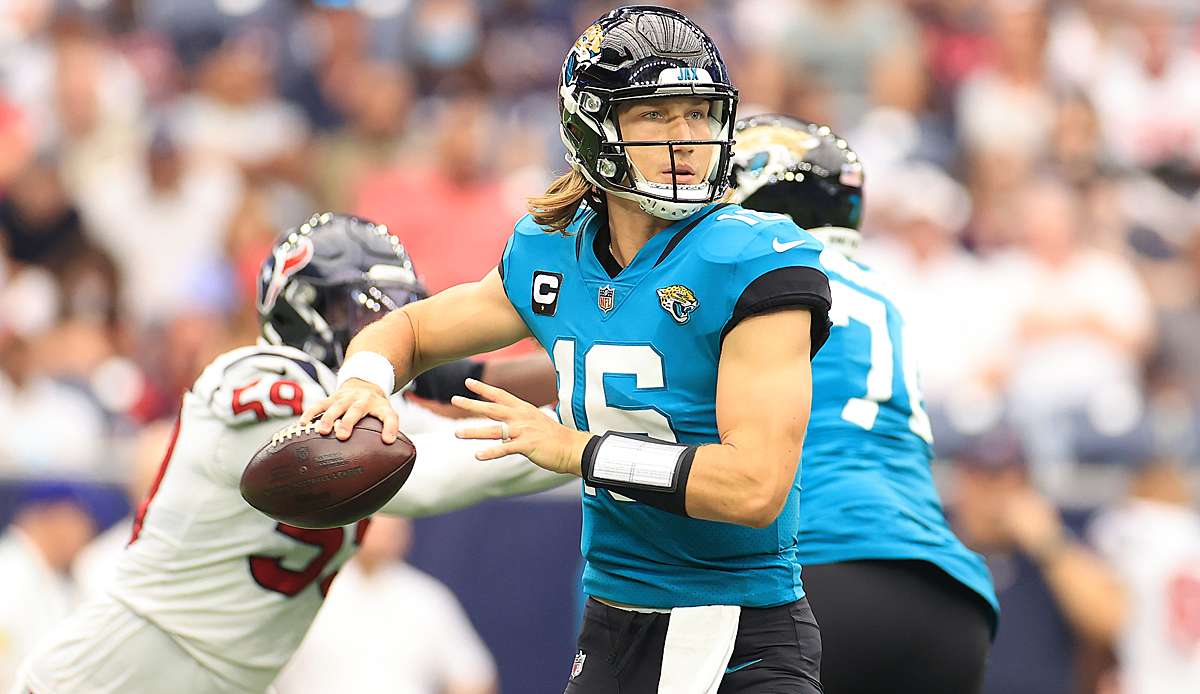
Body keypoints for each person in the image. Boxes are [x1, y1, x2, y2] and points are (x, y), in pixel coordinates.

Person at [308, 7, 831, 692]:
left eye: (699, 113)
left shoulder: (753, 256)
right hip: (614, 624)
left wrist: (577, 451)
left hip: (741, 627)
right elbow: (407, 330)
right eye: (655, 115)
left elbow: (754, 487)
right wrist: (365, 381)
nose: (685, 137)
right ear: (593, 127)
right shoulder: (551, 251)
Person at [385, 115, 1001, 693]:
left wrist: (460, 386)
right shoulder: (869, 291)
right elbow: (618, 362)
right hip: (948, 596)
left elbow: (616, 368)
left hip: (818, 562)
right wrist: (453, 377)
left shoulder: (749, 275)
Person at [9, 213, 546, 694]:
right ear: (305, 308)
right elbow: (426, 476)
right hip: (116, 673)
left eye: (396, 312)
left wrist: (586, 384)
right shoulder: (258, 377)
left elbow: (478, 407)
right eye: (366, 309)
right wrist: (574, 437)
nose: (383, 329)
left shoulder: (359, 402)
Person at [273, 517, 497, 694]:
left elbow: (473, 678)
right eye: (377, 526)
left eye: (394, 528)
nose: (385, 536)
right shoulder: (309, 589)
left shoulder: (426, 598)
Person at [0, 481, 96, 690]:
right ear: (52, 519)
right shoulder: (9, 573)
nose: (87, 531)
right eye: (78, 520)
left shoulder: (52, 575)